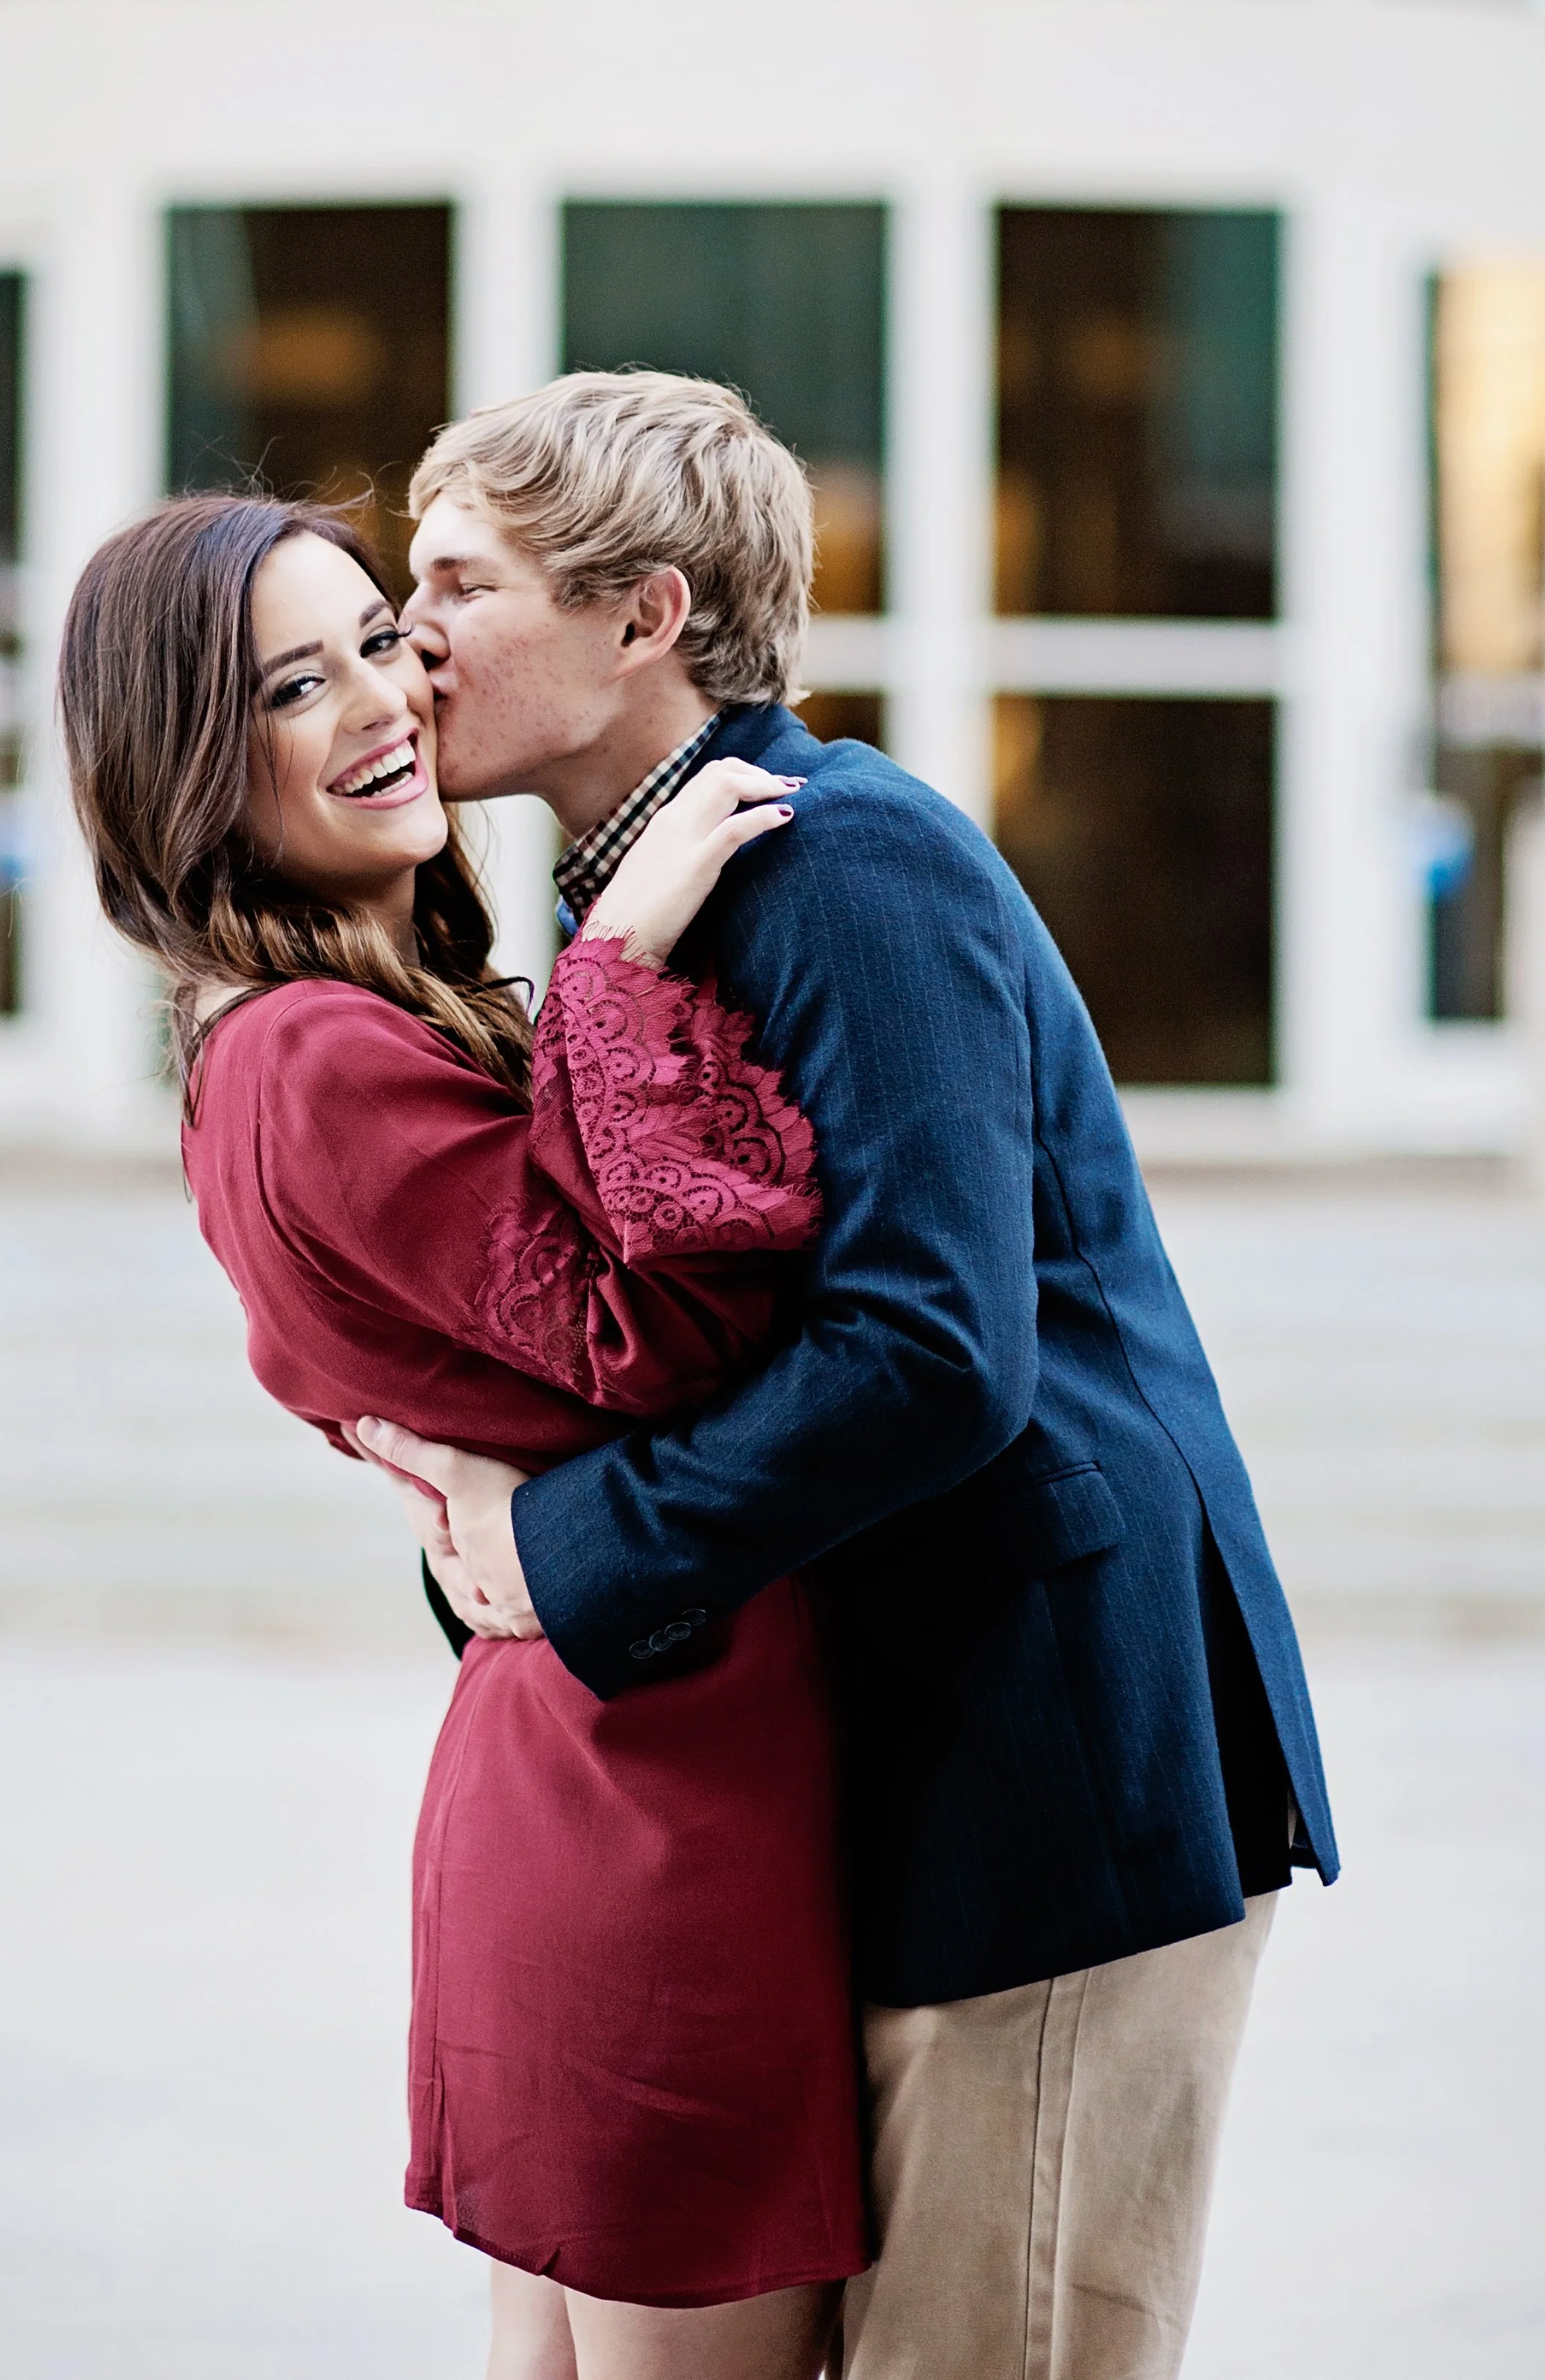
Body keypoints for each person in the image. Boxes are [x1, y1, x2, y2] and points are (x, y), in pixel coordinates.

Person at [352, 369, 1342, 2380]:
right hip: (920, 1753)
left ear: (646, 617)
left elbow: (933, 1351)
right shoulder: (655, 892)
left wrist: (567, 1547)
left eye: (455, 582)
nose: (407, 637)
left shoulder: (846, 858)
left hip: (1053, 1766)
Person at [56, 493, 868, 2380]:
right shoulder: (307, 1052)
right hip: (652, 1807)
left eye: (382, 636)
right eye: (292, 681)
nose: (385, 694)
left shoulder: (336, 1018)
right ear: (187, 753)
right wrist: (628, 961)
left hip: (618, 1751)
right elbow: (662, 1330)